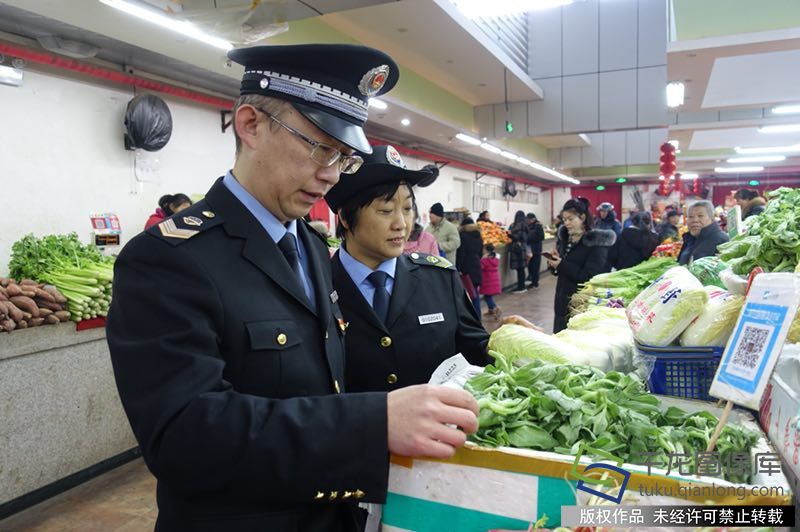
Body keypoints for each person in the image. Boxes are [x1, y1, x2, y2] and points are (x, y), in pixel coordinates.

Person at [106, 44, 480, 532]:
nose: (330, 175)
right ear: (250, 125)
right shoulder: (169, 258)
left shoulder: (307, 243)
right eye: (319, 146)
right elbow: (182, 435)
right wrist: (373, 423)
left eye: (343, 158)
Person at [325, 145, 491, 394]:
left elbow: (476, 352)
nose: (401, 224)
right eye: (385, 211)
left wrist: (510, 343)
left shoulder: (440, 279)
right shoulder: (317, 286)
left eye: (407, 209)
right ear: (346, 218)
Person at [547, 198, 616, 333]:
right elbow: (561, 271)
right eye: (564, 219)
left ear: (582, 217)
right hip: (561, 299)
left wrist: (561, 265)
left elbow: (589, 277)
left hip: (581, 303)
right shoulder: (566, 240)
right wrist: (553, 264)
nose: (566, 223)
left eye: (571, 219)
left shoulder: (596, 244)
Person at [678, 200, 729, 265]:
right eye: (690, 216)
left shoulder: (721, 241)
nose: (695, 220)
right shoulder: (690, 238)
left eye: (700, 216)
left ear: (712, 218)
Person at [456, 216, 484, 318]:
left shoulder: (462, 236)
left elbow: (461, 254)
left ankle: (472, 318)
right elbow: (481, 253)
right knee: (474, 292)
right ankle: (478, 317)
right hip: (476, 266)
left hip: (466, 268)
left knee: (467, 295)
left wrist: (458, 268)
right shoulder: (478, 235)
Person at [425, 202, 460, 266]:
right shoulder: (427, 229)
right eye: (429, 213)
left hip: (447, 264)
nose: (429, 215)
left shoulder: (450, 227)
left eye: (432, 213)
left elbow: (456, 243)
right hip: (431, 264)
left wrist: (439, 246)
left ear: (438, 215)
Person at [508, 210, 530, 294]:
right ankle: (521, 286)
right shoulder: (524, 225)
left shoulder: (520, 225)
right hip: (522, 248)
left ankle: (521, 287)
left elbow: (518, 237)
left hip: (518, 249)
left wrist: (509, 234)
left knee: (520, 269)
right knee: (521, 269)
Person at [480, 244, 502, 320]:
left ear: (486, 250)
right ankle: (490, 310)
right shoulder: (495, 259)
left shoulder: (484, 260)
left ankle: (495, 308)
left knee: (487, 296)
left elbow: (480, 268)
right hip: (494, 280)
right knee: (489, 296)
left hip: (487, 281)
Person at [525, 212, 545, 288]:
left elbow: (541, 237)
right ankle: (531, 280)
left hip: (536, 249)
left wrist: (530, 237)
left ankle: (535, 282)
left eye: (528, 219)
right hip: (529, 249)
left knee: (535, 266)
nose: (527, 221)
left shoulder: (538, 226)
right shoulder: (528, 226)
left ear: (533, 219)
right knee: (530, 265)